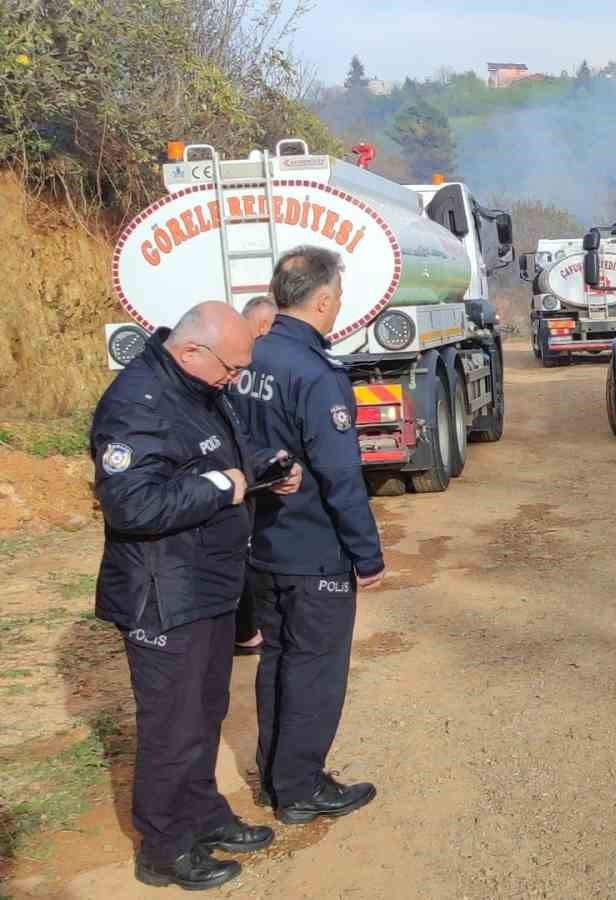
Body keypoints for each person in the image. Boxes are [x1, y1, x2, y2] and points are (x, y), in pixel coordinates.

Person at [90, 301, 302, 890]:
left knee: (205, 712)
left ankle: (203, 815)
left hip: (207, 583)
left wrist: (266, 467)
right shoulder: (138, 404)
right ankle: (163, 847)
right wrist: (219, 489)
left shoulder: (199, 386)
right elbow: (131, 503)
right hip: (163, 593)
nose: (236, 381)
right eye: (232, 370)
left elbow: (221, 455)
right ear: (191, 351)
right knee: (172, 726)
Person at [233, 246, 384, 826]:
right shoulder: (316, 374)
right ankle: (300, 788)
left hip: (263, 543)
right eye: (338, 298)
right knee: (315, 668)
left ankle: (276, 778)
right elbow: (341, 475)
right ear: (322, 302)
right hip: (313, 550)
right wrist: (366, 556)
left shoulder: (249, 358)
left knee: (276, 660)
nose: (338, 306)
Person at [234, 295, 277, 656]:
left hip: (239, 470)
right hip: (250, 472)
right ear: (263, 325)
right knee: (246, 551)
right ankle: (248, 630)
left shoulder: (229, 363)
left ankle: (245, 629)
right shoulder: (264, 362)